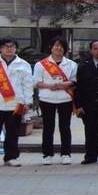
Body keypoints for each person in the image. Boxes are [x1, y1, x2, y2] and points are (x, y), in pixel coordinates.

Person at [0, 37, 33, 168]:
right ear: (0, 48)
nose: (9, 49)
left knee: (13, 132)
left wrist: (28, 102)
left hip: (16, 104)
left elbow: (28, 85)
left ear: (16, 48)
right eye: (5, 46)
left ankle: (11, 157)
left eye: (12, 46)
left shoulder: (23, 64)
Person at [33, 36, 78, 165]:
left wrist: (65, 84)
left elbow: (74, 80)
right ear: (51, 47)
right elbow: (36, 82)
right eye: (56, 45)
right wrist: (49, 86)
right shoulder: (41, 64)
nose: (59, 48)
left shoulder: (71, 64)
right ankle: (47, 154)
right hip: (47, 99)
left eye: (62, 46)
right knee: (48, 127)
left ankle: (66, 154)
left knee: (65, 127)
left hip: (65, 99)